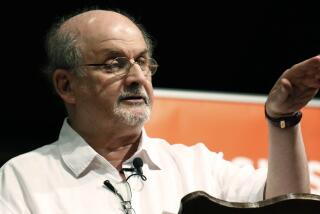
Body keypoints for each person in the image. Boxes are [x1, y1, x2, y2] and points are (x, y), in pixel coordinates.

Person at [0, 9, 319, 214]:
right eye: (115, 64)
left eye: (142, 62)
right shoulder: (22, 178)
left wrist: (283, 119)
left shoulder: (198, 166)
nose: (137, 77)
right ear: (66, 85)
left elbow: (286, 205)